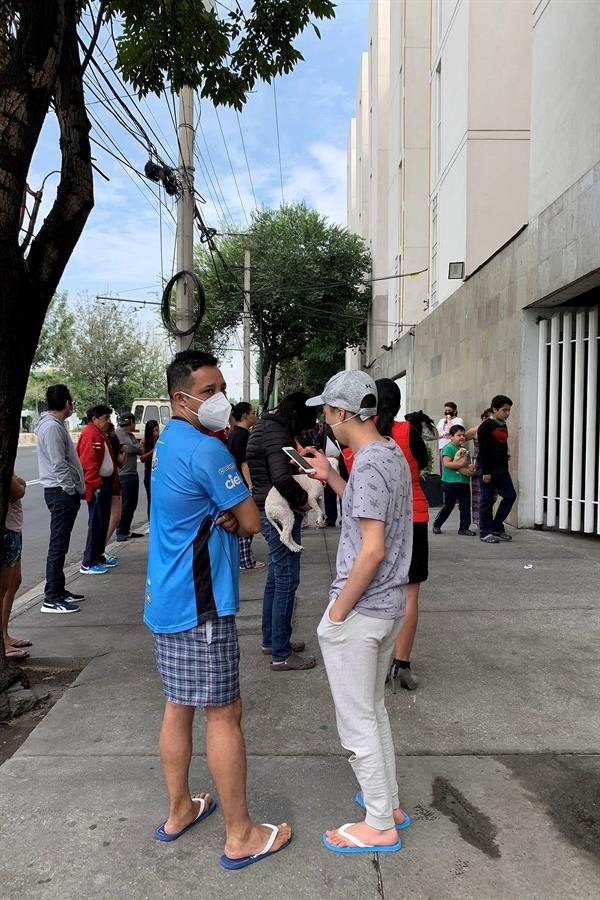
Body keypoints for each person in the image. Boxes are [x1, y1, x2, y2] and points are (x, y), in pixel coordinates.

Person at [144, 349, 292, 869]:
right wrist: (232, 516)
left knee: (178, 704)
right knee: (223, 712)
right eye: (208, 392)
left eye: (221, 388)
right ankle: (241, 835)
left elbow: (223, 514)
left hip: (167, 597)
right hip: (200, 603)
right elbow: (251, 521)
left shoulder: (168, 442)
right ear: (180, 398)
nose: (219, 400)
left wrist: (223, 516)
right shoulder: (207, 452)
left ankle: (180, 809)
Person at [302, 370, 412, 854]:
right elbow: (372, 516)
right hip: (388, 605)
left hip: (362, 608)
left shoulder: (369, 464)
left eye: (326, 411)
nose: (324, 419)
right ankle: (386, 805)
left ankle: (378, 823)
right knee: (373, 711)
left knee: (357, 720)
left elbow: (371, 549)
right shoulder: (387, 454)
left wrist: (336, 614)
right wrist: (333, 479)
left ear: (344, 413)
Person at [246, 393, 317, 670]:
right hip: (279, 510)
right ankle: (282, 653)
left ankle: (273, 640)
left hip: (265, 508)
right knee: (287, 579)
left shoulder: (263, 427)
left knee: (276, 578)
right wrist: (303, 502)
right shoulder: (277, 433)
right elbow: (281, 477)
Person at [375, 380, 428, 691]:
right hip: (414, 516)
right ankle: (402, 663)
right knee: (410, 595)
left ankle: (378, 662)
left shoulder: (364, 435)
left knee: (377, 592)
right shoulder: (408, 432)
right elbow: (420, 464)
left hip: (378, 520)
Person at [35, 383, 86, 613]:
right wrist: (70, 489)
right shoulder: (52, 428)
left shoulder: (55, 425)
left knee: (61, 543)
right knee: (58, 544)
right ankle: (51, 596)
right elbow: (58, 464)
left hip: (60, 490)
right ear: (67, 403)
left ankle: (59, 589)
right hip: (59, 491)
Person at [77, 404, 119, 574]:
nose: (108, 421)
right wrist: (96, 484)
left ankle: (98, 556)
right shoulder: (90, 434)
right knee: (96, 524)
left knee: (101, 524)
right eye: (105, 418)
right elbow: (88, 463)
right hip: (97, 485)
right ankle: (88, 562)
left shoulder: (100, 434)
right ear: (94, 418)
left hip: (104, 483)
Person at [227, 402, 265, 571]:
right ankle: (245, 560)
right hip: (242, 483)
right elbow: (244, 464)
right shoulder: (242, 435)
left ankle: (243, 559)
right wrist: (250, 486)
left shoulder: (235, 434)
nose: (255, 415)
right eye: (253, 412)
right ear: (244, 416)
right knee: (246, 525)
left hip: (234, 482)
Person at [477, 394, 517, 543]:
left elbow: (502, 445)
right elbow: (484, 450)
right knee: (487, 500)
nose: (507, 413)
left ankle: (496, 526)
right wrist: (486, 472)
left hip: (501, 469)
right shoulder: (485, 426)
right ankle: (485, 532)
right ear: (494, 409)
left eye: (509, 410)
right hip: (488, 468)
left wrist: (504, 459)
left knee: (510, 496)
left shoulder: (503, 424)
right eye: (504, 410)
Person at [1, 474, 30, 658]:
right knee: (3, 587)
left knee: (14, 582)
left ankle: (5, 634)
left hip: (13, 527)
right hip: (7, 529)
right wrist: (20, 483)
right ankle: (3, 641)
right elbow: (18, 489)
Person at [432, 425, 476, 535]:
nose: (462, 437)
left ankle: (464, 528)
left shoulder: (465, 451)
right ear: (451, 437)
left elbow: (469, 465)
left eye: (463, 435)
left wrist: (471, 469)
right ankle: (437, 524)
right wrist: (462, 464)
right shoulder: (449, 448)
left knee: (465, 506)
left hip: (464, 482)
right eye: (458, 435)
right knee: (449, 506)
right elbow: (447, 464)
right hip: (450, 483)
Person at [115, 412, 144, 541]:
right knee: (125, 504)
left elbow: (138, 449)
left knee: (132, 504)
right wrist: (136, 447)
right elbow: (127, 448)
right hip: (123, 475)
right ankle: (121, 531)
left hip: (132, 473)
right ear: (131, 422)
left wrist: (136, 447)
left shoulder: (131, 435)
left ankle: (126, 530)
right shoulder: (118, 433)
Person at [104, 422, 126, 558]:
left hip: (112, 481)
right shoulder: (104, 440)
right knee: (114, 516)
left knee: (112, 517)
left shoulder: (109, 441)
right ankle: (100, 549)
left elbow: (120, 463)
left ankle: (101, 548)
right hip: (110, 482)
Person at [140, 419, 159, 521]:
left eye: (157, 430)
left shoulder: (161, 440)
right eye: (153, 431)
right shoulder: (144, 441)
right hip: (149, 473)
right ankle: (151, 522)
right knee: (151, 499)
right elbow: (142, 458)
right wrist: (154, 450)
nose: (156, 433)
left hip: (160, 472)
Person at [436, 402, 464, 471]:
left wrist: (449, 419)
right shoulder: (441, 421)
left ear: (455, 411)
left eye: (449, 410)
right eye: (446, 411)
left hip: (452, 446)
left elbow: (453, 431)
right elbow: (436, 433)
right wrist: (444, 434)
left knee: (451, 465)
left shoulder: (458, 420)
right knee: (443, 467)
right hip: (442, 447)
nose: (447, 412)